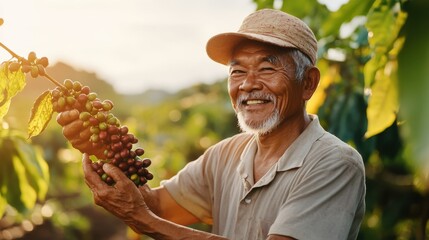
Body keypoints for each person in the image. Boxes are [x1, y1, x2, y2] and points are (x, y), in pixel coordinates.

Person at [58, 8, 366, 240]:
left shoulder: (335, 163)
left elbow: (148, 216)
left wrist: (142, 221)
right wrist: (106, 147)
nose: (248, 85)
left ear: (308, 83)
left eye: (266, 68)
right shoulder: (226, 155)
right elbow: (159, 207)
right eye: (237, 72)